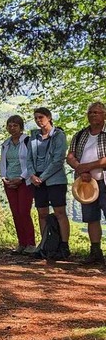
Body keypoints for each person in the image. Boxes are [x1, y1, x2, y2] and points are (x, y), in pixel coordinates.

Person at [26, 107, 70, 256]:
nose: (39, 120)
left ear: (49, 117)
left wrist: (42, 177)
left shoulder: (59, 135)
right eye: (36, 118)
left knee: (59, 212)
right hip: (37, 179)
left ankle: (64, 246)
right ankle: (44, 245)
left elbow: (58, 160)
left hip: (55, 179)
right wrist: (32, 175)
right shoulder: (33, 137)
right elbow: (29, 159)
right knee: (42, 212)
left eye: (41, 117)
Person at [67, 101, 106, 265]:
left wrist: (88, 167)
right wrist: (80, 169)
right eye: (90, 113)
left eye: (96, 112)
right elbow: (70, 156)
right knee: (91, 218)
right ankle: (95, 252)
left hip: (104, 181)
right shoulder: (81, 134)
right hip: (86, 184)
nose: (93, 115)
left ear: (104, 115)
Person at [0, 115, 36, 255]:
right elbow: (3, 162)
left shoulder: (27, 141)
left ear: (21, 127)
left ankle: (31, 243)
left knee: (24, 212)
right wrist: (4, 178)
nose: (12, 128)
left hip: (24, 181)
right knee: (15, 213)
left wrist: (21, 178)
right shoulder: (6, 143)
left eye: (15, 125)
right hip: (9, 182)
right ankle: (21, 243)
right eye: (10, 125)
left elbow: (30, 161)